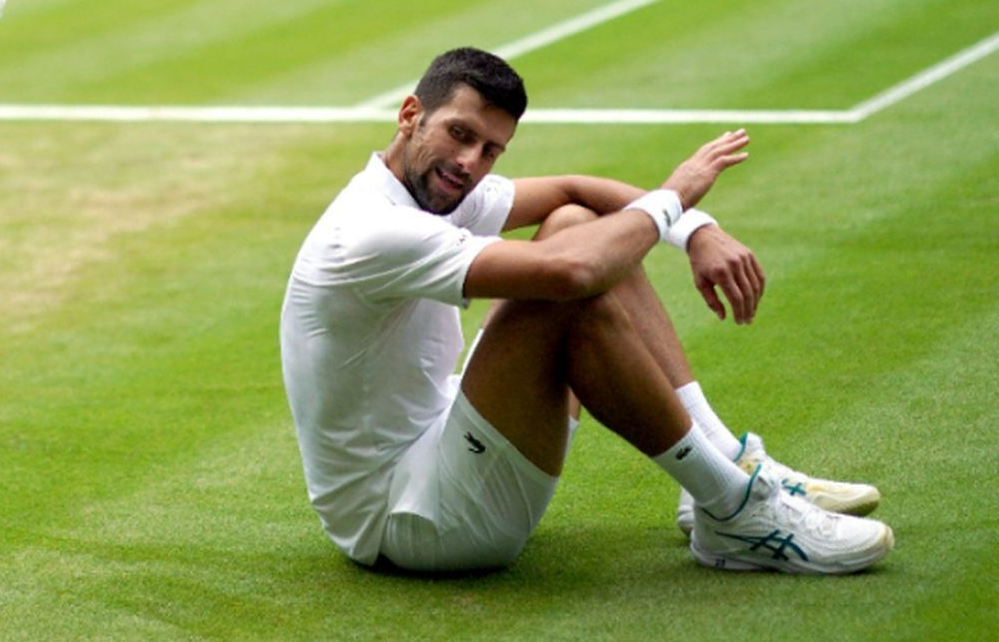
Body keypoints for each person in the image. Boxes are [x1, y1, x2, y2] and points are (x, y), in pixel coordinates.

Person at [280, 48, 890, 576]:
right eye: (459, 134)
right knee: (569, 292)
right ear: (411, 115)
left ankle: (724, 459)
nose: (470, 163)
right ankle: (733, 508)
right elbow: (572, 274)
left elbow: (574, 192)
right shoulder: (368, 230)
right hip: (413, 525)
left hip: (437, 450)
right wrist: (677, 197)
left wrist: (698, 229)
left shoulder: (434, 190)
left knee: (574, 224)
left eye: (491, 150)